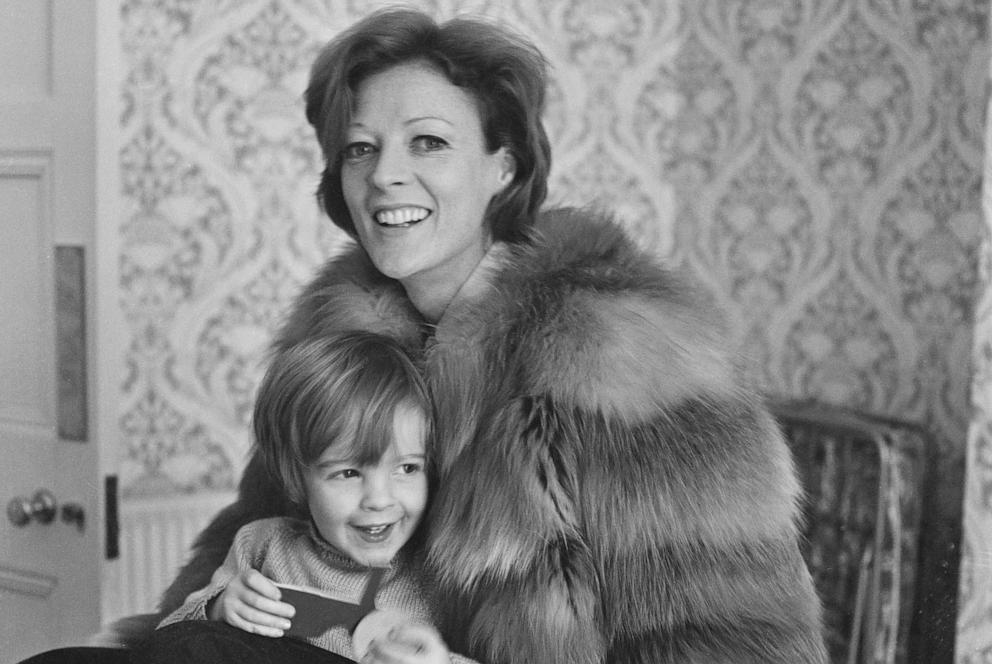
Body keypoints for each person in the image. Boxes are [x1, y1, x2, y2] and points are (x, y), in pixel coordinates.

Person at [59, 7, 828, 664]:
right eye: (361, 148)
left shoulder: (625, 351)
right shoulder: (335, 335)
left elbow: (734, 639)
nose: (385, 176)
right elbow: (269, 540)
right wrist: (176, 622)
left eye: (428, 142)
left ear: (503, 166)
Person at [139, 331, 476, 664]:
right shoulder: (262, 545)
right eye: (348, 473)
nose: (378, 499)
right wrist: (219, 608)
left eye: (406, 468)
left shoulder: (438, 574)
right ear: (297, 479)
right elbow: (170, 638)